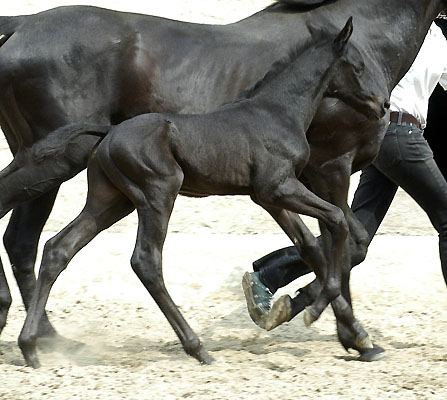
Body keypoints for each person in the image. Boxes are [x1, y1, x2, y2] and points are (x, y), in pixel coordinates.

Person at [242, 19, 447, 330]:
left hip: (393, 138)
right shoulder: (403, 30)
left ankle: (269, 276)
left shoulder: (436, 40)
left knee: (355, 241)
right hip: (397, 133)